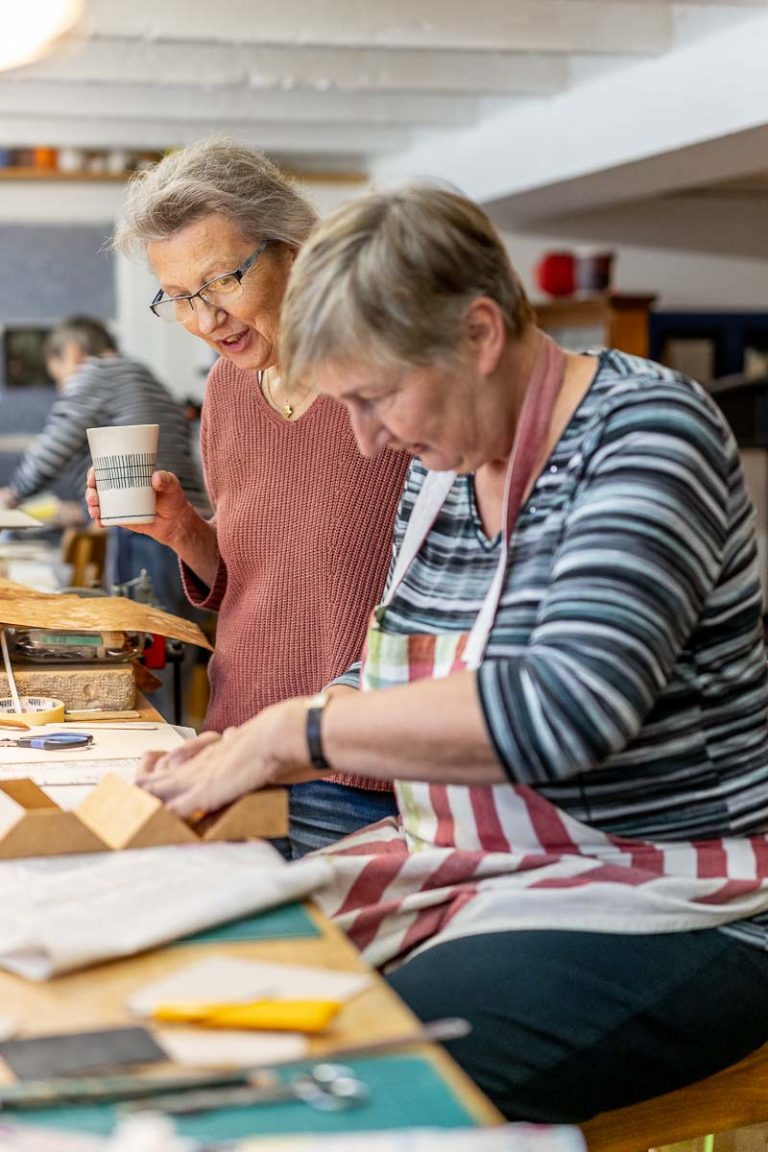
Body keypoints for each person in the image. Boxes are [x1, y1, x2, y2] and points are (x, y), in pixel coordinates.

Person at [138, 185, 768, 1123]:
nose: (366, 437)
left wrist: (294, 732)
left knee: (339, 1088)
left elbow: (565, 709)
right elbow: (393, 662)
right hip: (477, 859)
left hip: (675, 885)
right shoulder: (446, 469)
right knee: (210, 1013)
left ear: (479, 332)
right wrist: (233, 747)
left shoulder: (644, 435)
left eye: (378, 395)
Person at [88, 139, 408, 855]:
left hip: (354, 772)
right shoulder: (227, 389)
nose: (204, 320)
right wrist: (185, 534)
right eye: (177, 299)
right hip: (229, 743)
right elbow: (255, 575)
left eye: (221, 282)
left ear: (294, 250)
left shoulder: (393, 390)